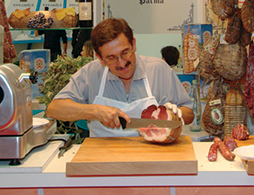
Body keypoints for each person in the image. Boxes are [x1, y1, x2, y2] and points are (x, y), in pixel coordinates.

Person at [46, 18, 194, 137]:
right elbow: (54, 109)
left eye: (125, 52)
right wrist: (95, 111)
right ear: (100, 58)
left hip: (152, 158)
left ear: (134, 44)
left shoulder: (159, 70)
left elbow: (189, 114)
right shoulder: (91, 73)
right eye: (111, 58)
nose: (122, 63)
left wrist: (174, 115)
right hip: (102, 162)